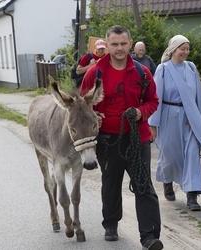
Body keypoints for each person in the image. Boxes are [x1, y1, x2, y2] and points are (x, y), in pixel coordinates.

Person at [79, 25, 163, 250]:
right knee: (111, 183)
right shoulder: (94, 73)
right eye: (114, 44)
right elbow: (82, 107)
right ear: (106, 45)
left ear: (130, 43)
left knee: (143, 185)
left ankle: (149, 237)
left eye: (123, 44)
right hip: (107, 140)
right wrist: (93, 115)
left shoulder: (141, 72)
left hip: (137, 138)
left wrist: (140, 112)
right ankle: (111, 223)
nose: (119, 48)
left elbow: (153, 100)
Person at [148, 35, 201, 211]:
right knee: (169, 155)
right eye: (182, 48)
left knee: (193, 154)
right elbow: (156, 98)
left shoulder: (191, 68)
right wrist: (153, 125)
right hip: (168, 117)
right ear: (173, 49)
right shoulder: (163, 70)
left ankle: (192, 195)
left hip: (190, 118)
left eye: (187, 49)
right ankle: (167, 180)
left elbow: (199, 95)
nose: (185, 52)